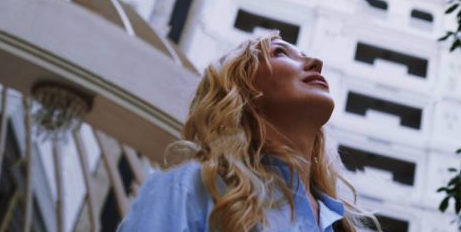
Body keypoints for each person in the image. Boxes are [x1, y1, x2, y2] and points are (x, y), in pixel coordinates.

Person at [118, 30, 382, 231]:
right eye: (280, 53)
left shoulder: (341, 224)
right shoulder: (189, 188)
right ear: (244, 93)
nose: (316, 62)